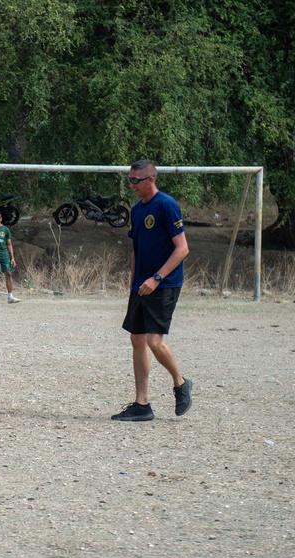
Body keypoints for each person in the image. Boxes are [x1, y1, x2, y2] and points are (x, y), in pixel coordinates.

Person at [112, 159, 192, 422]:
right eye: (129, 180)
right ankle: (142, 405)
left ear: (150, 180)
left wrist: (156, 278)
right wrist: (134, 284)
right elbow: (135, 249)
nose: (131, 185)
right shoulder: (136, 210)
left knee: (154, 342)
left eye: (135, 180)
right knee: (137, 340)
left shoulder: (167, 205)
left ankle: (180, 383)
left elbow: (182, 249)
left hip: (164, 284)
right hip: (141, 286)